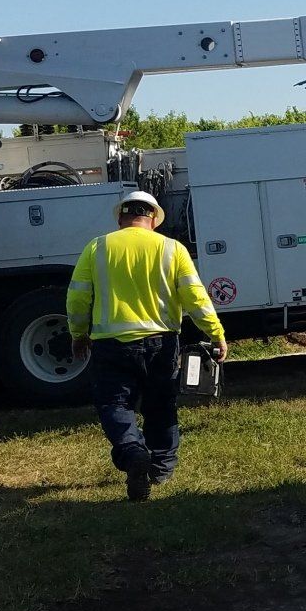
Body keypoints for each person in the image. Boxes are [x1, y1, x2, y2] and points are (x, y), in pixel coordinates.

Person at [66, 191, 226, 501]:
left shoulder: (97, 248)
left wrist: (78, 334)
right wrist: (216, 333)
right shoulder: (172, 248)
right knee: (161, 405)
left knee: (114, 405)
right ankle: (161, 469)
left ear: (120, 218)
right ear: (153, 219)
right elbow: (195, 298)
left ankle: (132, 451)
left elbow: (77, 298)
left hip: (111, 345)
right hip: (161, 344)